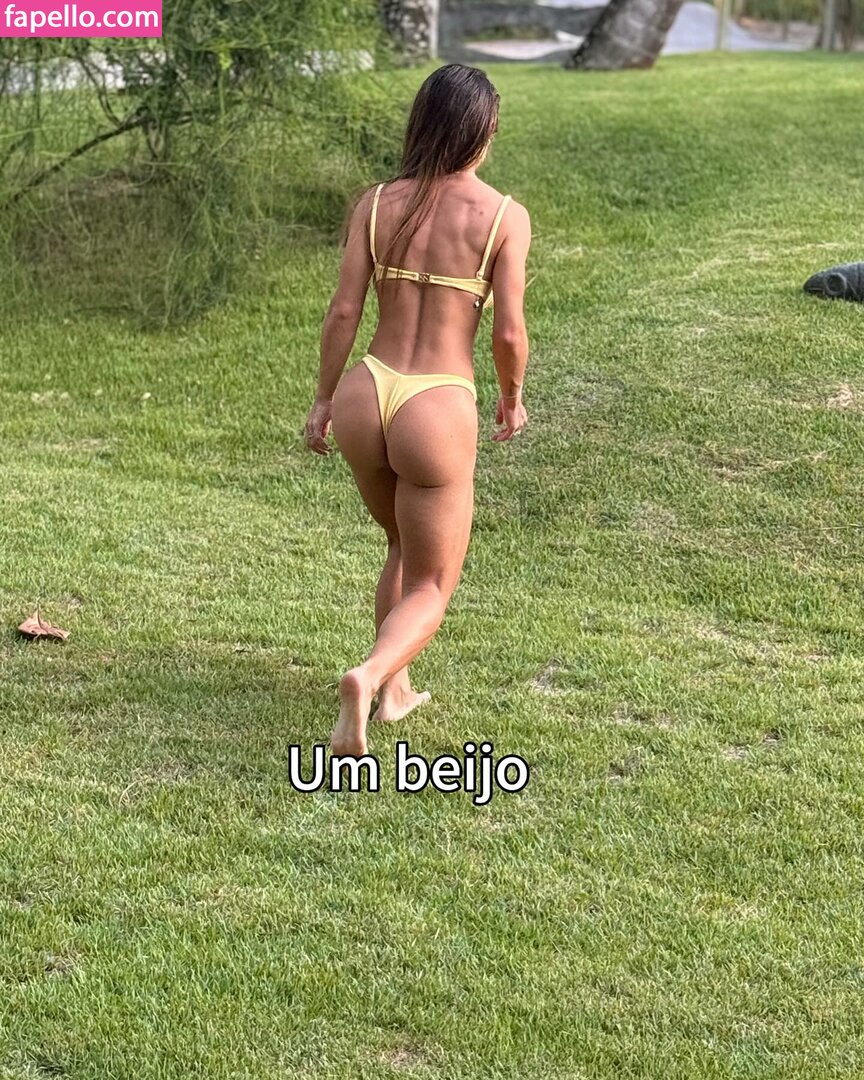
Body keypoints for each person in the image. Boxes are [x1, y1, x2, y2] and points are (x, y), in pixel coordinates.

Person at [303, 63, 532, 757]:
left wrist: (323, 399)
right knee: (433, 580)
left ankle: (395, 691)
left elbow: (344, 311)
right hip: (436, 401)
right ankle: (371, 675)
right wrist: (512, 398)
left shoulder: (376, 204)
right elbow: (508, 332)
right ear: (483, 132)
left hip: (367, 393)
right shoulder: (502, 216)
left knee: (402, 546)